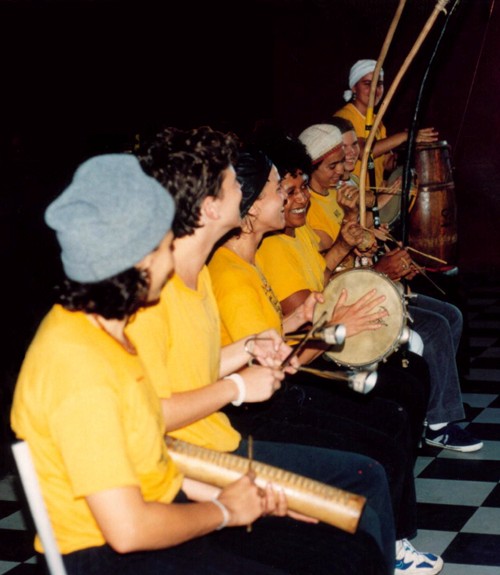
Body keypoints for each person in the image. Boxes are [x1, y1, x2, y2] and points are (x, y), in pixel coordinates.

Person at [10, 153, 391, 575]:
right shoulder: (78, 363)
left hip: (162, 507)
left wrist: (252, 494)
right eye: (163, 244)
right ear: (136, 256)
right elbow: (128, 529)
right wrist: (226, 510)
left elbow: (149, 456)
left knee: (347, 550)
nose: (172, 257)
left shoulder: (104, 329)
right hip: (110, 557)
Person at [129, 126, 396, 574]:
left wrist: (248, 347)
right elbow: (147, 415)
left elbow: (187, 369)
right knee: (352, 523)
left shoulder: (199, 276)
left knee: (358, 506)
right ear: (213, 206)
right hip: (191, 460)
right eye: (244, 182)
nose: (278, 193)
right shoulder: (161, 288)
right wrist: (237, 385)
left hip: (214, 442)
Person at [208, 142, 444, 575]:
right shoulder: (229, 276)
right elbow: (266, 367)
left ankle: (394, 537)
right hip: (256, 415)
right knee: (377, 441)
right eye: (280, 189)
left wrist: (298, 317)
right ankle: (387, 546)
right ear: (249, 207)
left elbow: (264, 340)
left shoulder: (247, 261)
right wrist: (335, 331)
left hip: (276, 394)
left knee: (390, 418)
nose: (288, 197)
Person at [299, 120, 483, 453]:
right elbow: (331, 268)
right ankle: (439, 424)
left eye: (344, 160)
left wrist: (382, 251)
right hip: (352, 298)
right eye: (335, 164)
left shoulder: (338, 192)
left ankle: (435, 406)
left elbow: (361, 243)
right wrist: (380, 265)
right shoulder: (305, 209)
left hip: (367, 282)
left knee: (451, 315)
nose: (344, 169)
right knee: (436, 326)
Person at [333, 58, 439, 191]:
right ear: (354, 87)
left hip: (374, 196)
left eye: (379, 84)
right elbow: (365, 152)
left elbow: (387, 163)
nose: (375, 90)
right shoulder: (345, 116)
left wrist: (406, 149)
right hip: (352, 195)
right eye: (367, 83)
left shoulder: (377, 121)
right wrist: (405, 136)